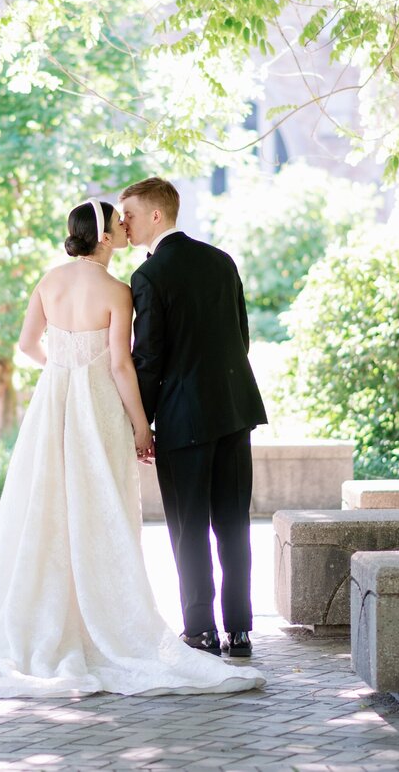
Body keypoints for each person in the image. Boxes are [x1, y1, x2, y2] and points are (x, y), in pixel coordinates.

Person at [0, 198, 265, 699]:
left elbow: (30, 345)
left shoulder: (50, 282)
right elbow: (123, 364)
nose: (125, 227)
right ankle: (237, 629)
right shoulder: (124, 288)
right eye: (118, 223)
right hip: (117, 405)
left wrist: (64, 365)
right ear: (104, 236)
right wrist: (141, 423)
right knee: (117, 508)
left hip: (55, 402)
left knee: (47, 504)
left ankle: (181, 627)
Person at [120, 177, 268, 659]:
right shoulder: (221, 261)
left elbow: (149, 359)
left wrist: (138, 419)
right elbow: (241, 338)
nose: (125, 224)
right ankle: (241, 631)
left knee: (188, 530)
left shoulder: (149, 277)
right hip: (233, 411)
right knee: (233, 525)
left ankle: (201, 631)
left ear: (156, 216)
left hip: (184, 422)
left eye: (131, 215)